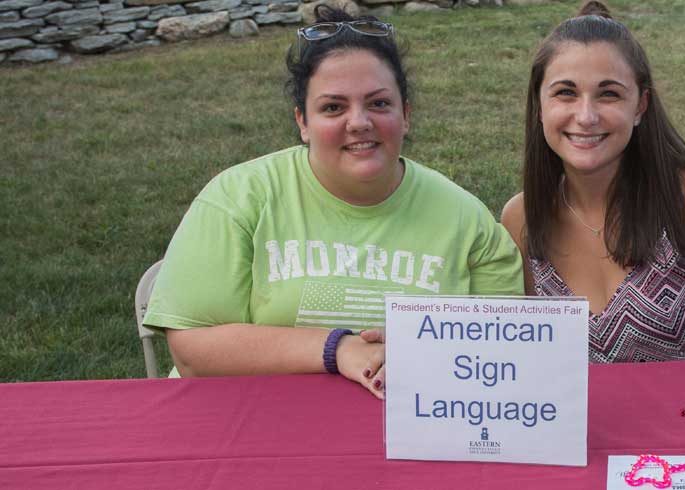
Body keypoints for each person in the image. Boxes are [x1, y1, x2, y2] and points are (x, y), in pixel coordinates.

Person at [144, 7, 524, 398]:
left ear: (405, 114)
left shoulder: (466, 219)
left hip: (410, 431)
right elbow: (192, 351)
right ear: (302, 123)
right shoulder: (238, 197)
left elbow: (505, 353)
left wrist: (428, 354)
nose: (358, 122)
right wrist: (336, 349)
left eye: (378, 103)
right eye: (333, 107)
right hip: (249, 424)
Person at [502, 1, 685, 362]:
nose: (586, 116)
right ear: (539, 106)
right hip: (596, 419)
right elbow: (528, 363)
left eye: (609, 94)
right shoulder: (521, 218)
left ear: (641, 106)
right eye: (565, 92)